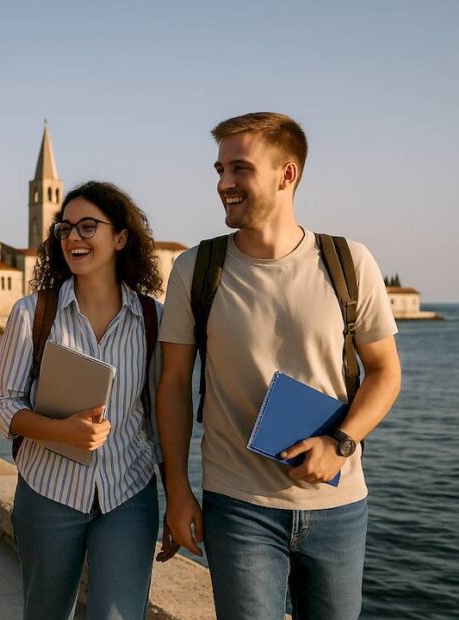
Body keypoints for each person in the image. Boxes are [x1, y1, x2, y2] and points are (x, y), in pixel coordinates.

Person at [157, 112, 401, 619]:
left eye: (239, 168)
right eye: (219, 170)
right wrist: (177, 491)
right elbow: (174, 383)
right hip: (238, 507)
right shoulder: (195, 270)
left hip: (339, 508)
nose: (224, 183)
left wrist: (341, 443)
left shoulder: (350, 263)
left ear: (286, 174)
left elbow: (385, 372)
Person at [0, 181, 166, 619]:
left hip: (129, 493)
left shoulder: (152, 318)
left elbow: (161, 417)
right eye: (65, 228)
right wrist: (61, 431)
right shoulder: (32, 313)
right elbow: (1, 403)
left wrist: (177, 494)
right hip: (48, 494)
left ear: (121, 238)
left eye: (88, 227)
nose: (73, 238)